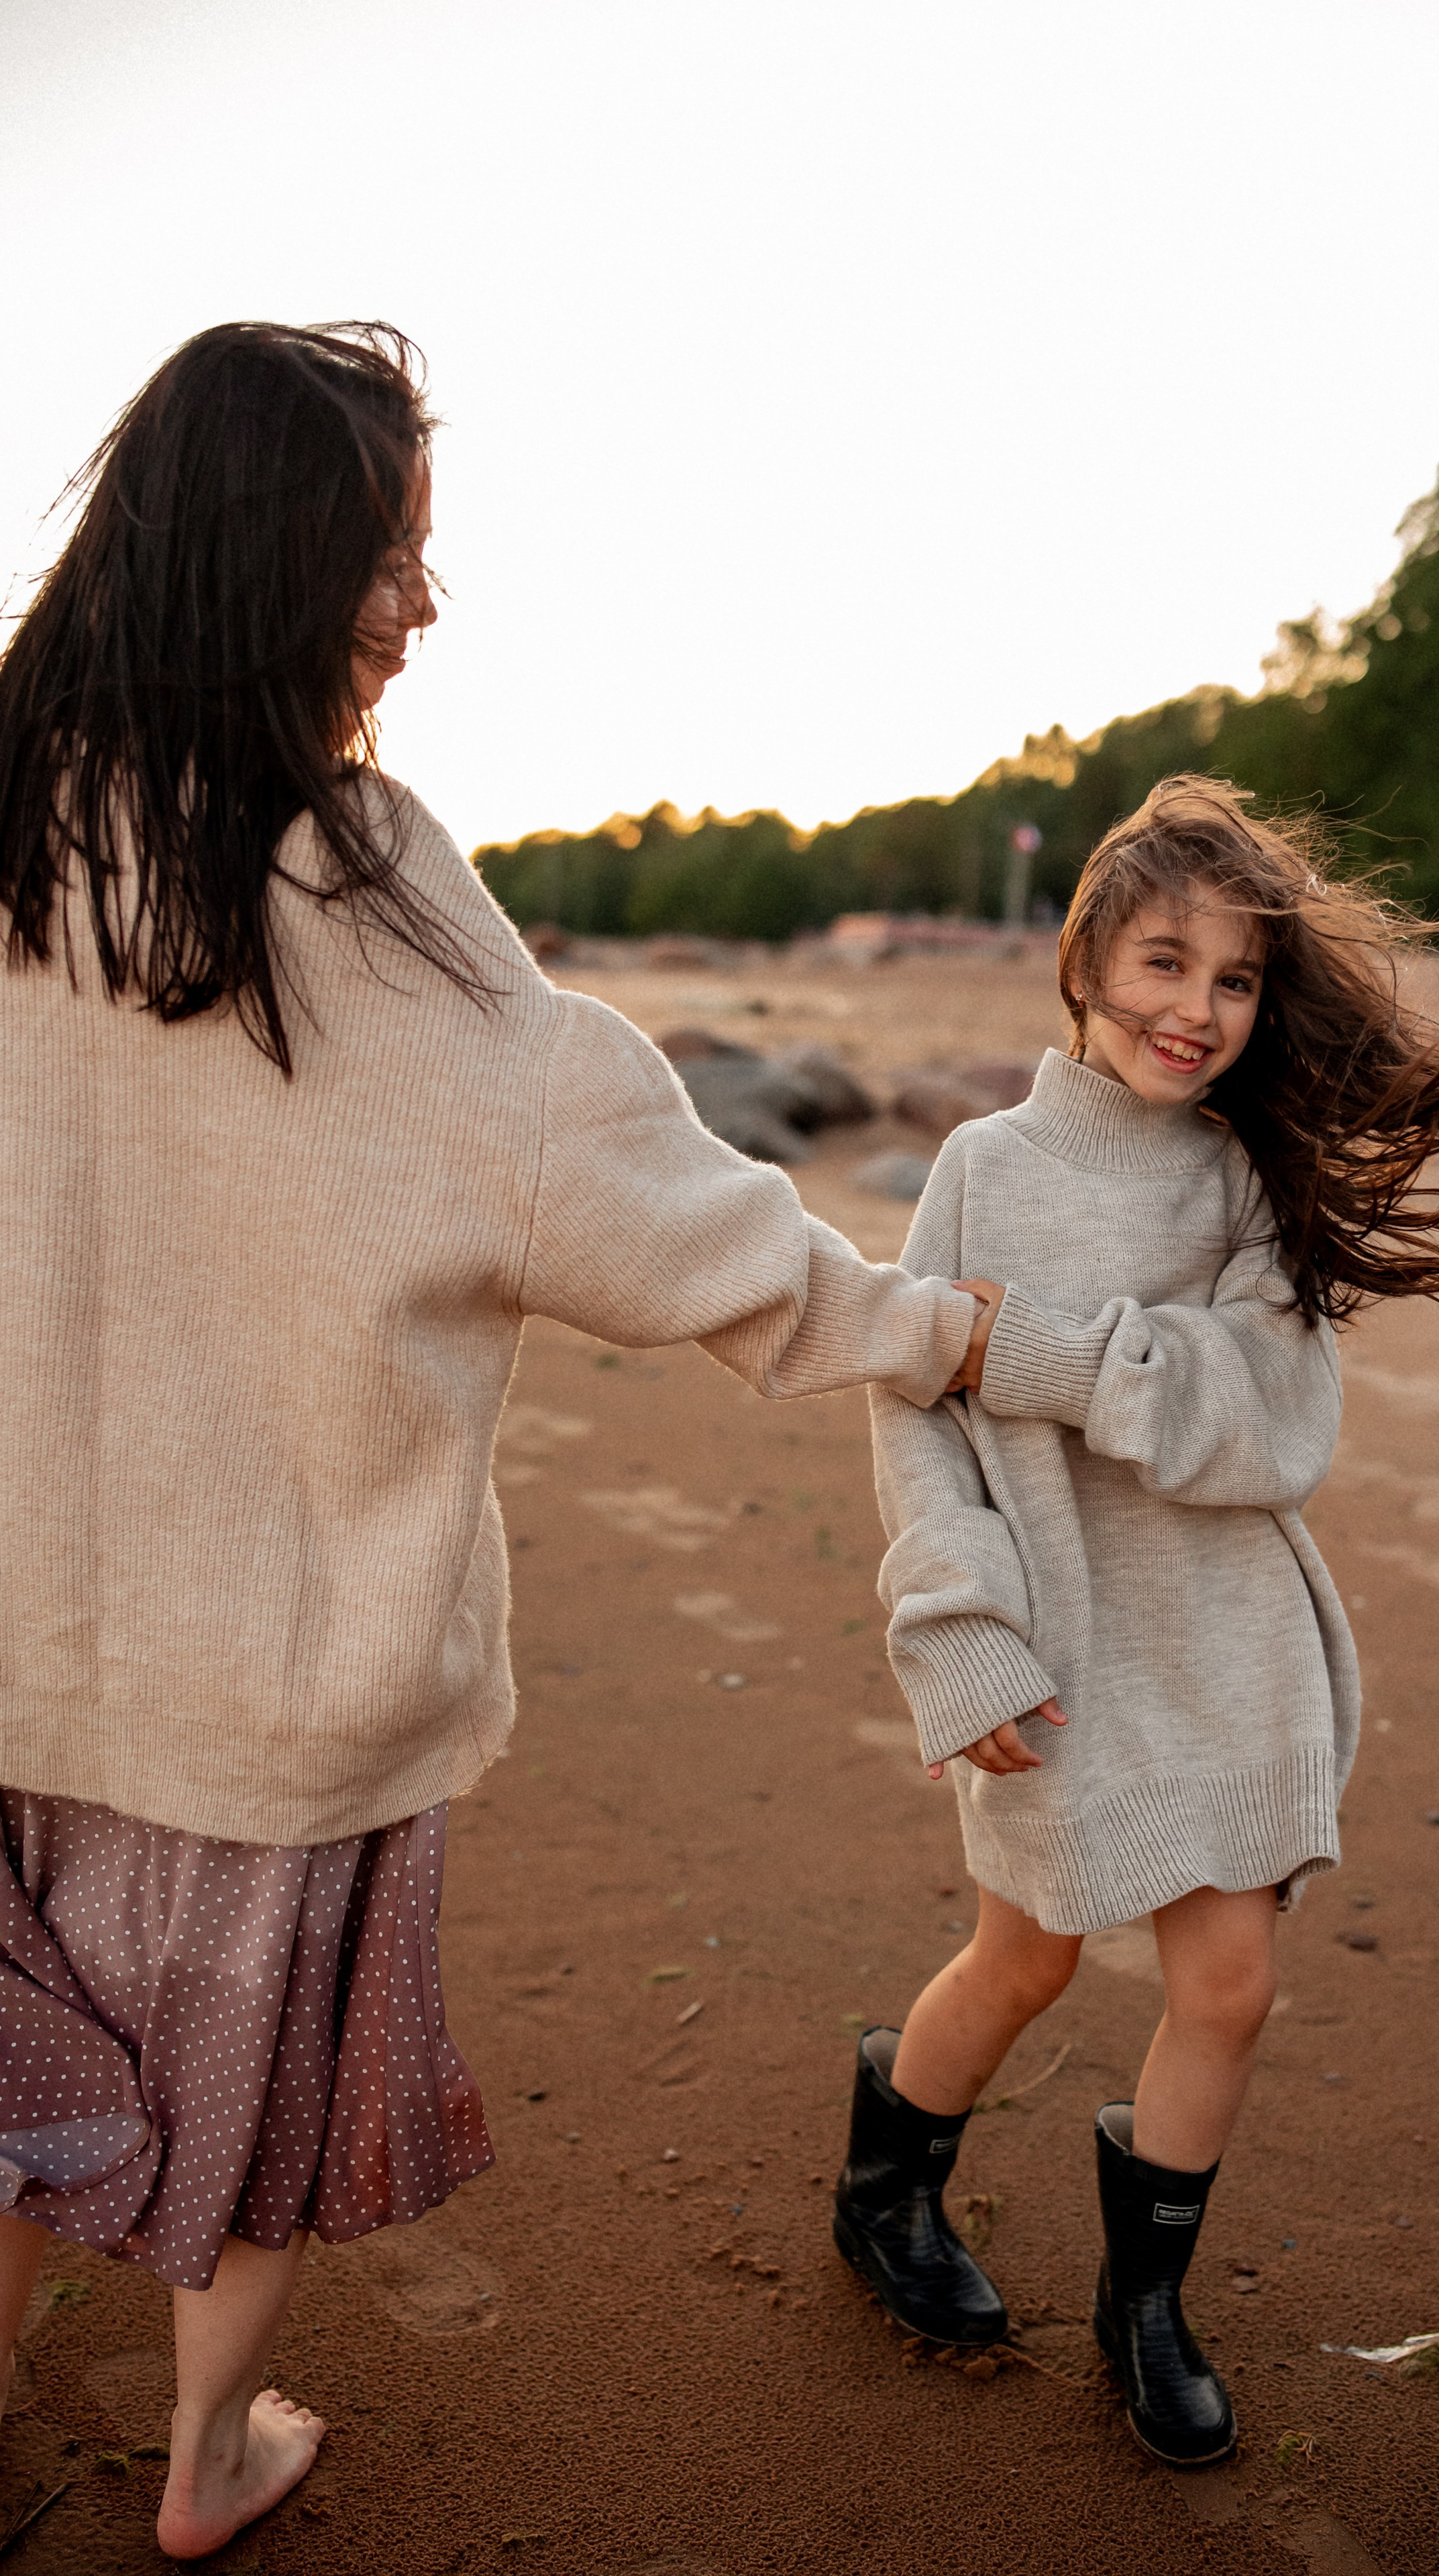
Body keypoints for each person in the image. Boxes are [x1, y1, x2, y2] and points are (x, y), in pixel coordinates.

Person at [0, 321, 989, 2561]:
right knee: (233, 2120)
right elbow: (604, 1184)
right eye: (394, 551)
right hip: (262, 1679)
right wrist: (922, 1328)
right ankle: (207, 2458)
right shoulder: (346, 875)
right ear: (284, 550)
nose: (423, 605)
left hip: (10, 1636)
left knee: (19, 2103)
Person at [837, 775, 1439, 2466]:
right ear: (1084, 958)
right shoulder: (979, 1169)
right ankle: (886, 2190)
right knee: (1019, 1960)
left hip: (1222, 1628)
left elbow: (1270, 1427)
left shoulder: (1250, 1180)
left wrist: (1049, 1356)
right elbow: (910, 1416)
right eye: (1165, 963)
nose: (1198, 1010)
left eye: (1234, 981)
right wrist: (951, 1631)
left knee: (1227, 1986)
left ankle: (1141, 2304)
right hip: (1052, 1635)